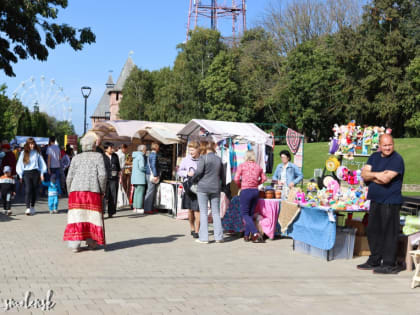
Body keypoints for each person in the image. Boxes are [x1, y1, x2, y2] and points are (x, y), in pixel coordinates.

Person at [358, 134, 405, 274]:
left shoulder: (397, 159)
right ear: (380, 145)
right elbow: (363, 174)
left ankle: (389, 263)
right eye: (385, 145)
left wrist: (371, 175)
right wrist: (377, 175)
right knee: (373, 231)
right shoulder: (374, 157)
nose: (388, 147)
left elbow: (385, 179)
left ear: (393, 144)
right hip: (375, 200)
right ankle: (375, 259)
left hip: (390, 201)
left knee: (388, 233)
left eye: (390, 144)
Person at [63, 133, 107, 253]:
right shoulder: (98, 157)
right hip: (92, 191)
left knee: (76, 217)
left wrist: (69, 191)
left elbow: (69, 177)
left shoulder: (76, 158)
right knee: (91, 217)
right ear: (93, 146)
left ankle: (75, 245)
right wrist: (102, 190)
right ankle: (92, 243)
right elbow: (102, 176)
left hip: (76, 191)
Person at [192, 141, 225, 244]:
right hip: (216, 188)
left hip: (203, 188)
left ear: (205, 148)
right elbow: (222, 175)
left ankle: (204, 238)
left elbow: (198, 172)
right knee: (216, 212)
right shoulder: (219, 159)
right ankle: (219, 237)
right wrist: (222, 186)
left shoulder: (203, 158)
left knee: (203, 212)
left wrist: (193, 179)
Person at [234, 150, 267, 243]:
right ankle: (246, 235)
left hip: (245, 191)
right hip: (255, 191)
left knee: (245, 214)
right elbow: (264, 178)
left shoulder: (242, 166)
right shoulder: (258, 167)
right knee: (250, 214)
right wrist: (257, 183)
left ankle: (255, 233)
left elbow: (236, 178)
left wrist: (240, 185)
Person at [16, 138, 47, 215]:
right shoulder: (23, 153)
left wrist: (42, 174)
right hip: (26, 173)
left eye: (33, 144)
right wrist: (20, 175)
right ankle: (27, 208)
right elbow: (19, 164)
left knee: (34, 191)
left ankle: (32, 206)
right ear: (27, 144)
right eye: (30, 144)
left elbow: (42, 163)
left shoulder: (37, 153)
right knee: (28, 190)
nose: (32, 145)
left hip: (35, 172)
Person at [177, 141, 200, 238]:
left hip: (199, 188)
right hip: (188, 188)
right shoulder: (185, 160)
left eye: (193, 150)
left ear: (198, 149)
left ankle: (197, 231)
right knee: (190, 210)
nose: (191, 152)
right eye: (190, 150)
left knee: (197, 210)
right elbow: (179, 171)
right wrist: (187, 173)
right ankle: (192, 227)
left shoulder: (202, 159)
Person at [103, 142, 121, 218]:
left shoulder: (115, 156)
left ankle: (111, 212)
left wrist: (119, 176)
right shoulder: (102, 156)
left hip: (114, 179)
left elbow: (118, 167)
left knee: (113, 195)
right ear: (106, 149)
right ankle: (102, 212)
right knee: (104, 196)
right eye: (111, 148)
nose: (112, 149)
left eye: (112, 147)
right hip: (104, 179)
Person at [144, 142, 160, 214]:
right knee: (150, 191)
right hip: (152, 174)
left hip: (148, 174)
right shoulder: (154, 155)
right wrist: (156, 174)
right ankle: (147, 208)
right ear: (156, 147)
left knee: (151, 191)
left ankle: (151, 207)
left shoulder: (150, 154)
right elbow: (153, 165)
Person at [131, 144, 147, 214]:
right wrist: (147, 169)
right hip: (140, 177)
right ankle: (139, 207)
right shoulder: (140, 156)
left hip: (135, 177)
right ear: (142, 150)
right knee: (140, 193)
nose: (146, 151)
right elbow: (141, 167)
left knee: (136, 193)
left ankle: (135, 207)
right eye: (145, 150)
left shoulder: (135, 156)